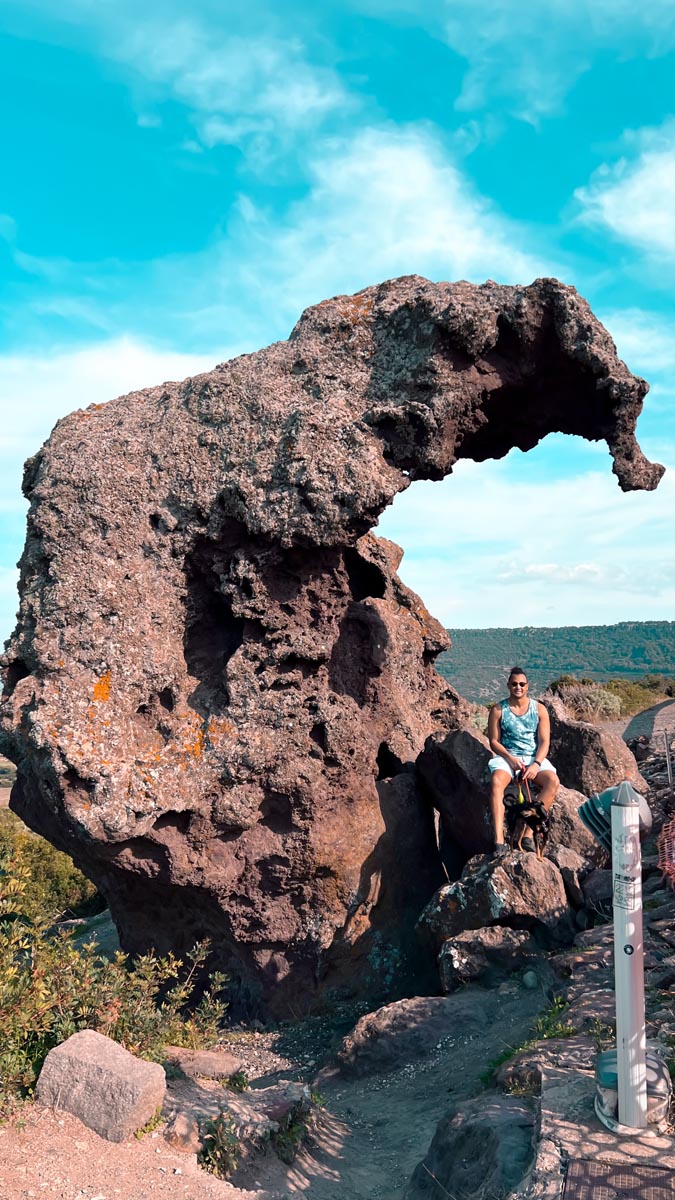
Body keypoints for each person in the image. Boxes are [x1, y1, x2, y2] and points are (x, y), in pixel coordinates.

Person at [487, 666, 559, 853]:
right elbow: (494, 741)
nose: (518, 687)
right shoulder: (498, 710)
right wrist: (509, 758)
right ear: (508, 685)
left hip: (532, 757)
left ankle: (527, 835)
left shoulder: (539, 710)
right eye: (514, 684)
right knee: (496, 782)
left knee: (552, 781)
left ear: (527, 686)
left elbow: (544, 742)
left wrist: (536, 764)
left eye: (522, 684)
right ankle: (499, 841)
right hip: (507, 756)